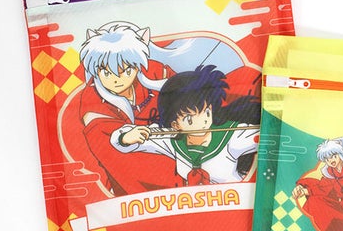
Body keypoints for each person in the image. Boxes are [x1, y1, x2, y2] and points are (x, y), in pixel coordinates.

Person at [110, 65, 260, 185]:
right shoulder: (171, 139)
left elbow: (265, 136)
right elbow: (120, 139)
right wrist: (125, 138)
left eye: (207, 112)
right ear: (175, 124)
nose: (202, 122)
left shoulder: (232, 136)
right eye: (189, 119)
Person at [78, 21, 180, 195]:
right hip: (135, 170)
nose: (116, 79)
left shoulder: (154, 72)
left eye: (126, 71)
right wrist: (124, 138)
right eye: (106, 72)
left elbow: (189, 95)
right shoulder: (92, 99)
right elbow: (102, 139)